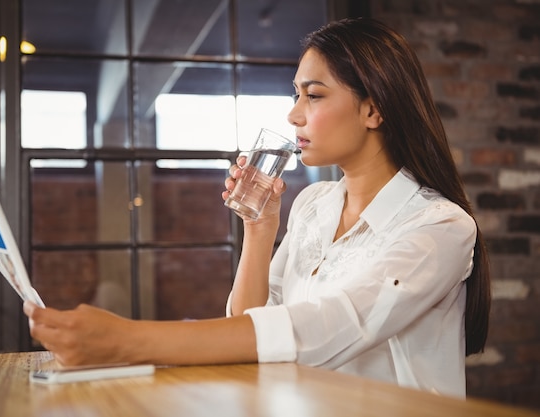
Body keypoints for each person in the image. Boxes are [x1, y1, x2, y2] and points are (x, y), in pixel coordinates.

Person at [24, 17, 491, 397]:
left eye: (314, 95)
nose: (293, 113)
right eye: (295, 94)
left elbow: (329, 329)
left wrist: (129, 340)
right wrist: (260, 227)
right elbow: (246, 327)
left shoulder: (441, 227)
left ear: (374, 110)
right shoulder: (313, 203)